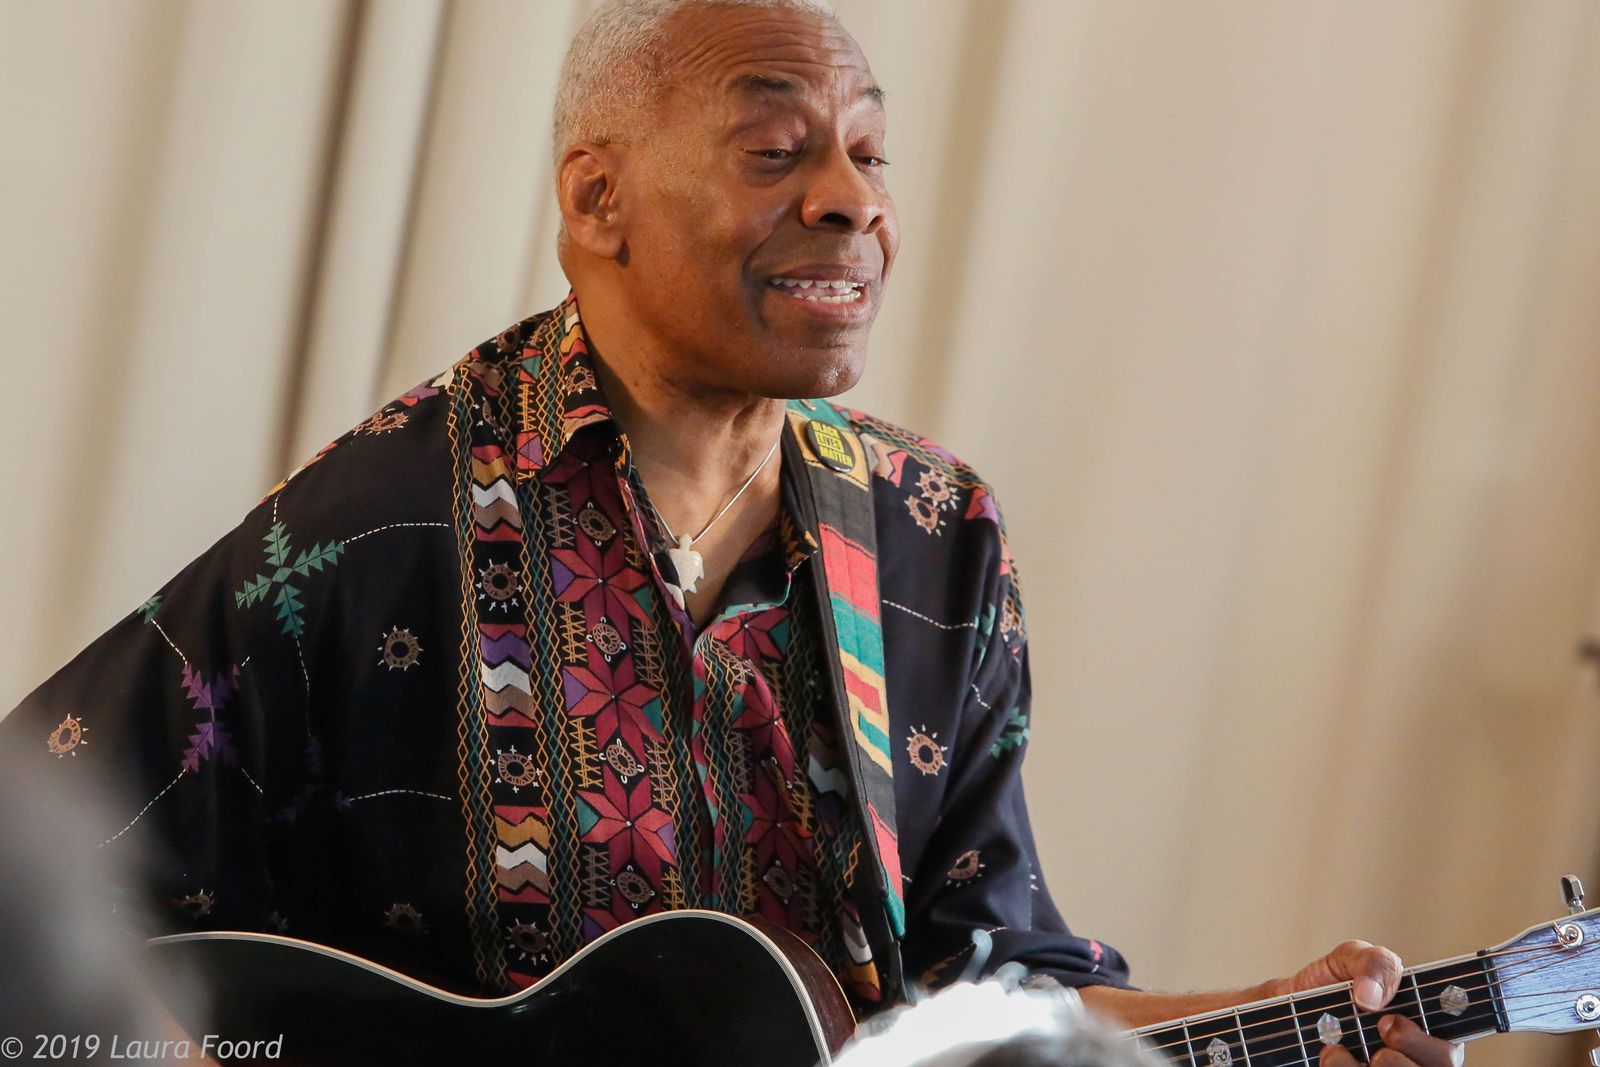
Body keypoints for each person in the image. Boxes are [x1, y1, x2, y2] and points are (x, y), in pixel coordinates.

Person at [0, 1, 1462, 1063]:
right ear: (599, 199)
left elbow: (992, 984)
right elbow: (32, 882)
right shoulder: (382, 526)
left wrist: (1277, 1020)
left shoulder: (934, 538)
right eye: (776, 153)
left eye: (872, 153)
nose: (851, 201)